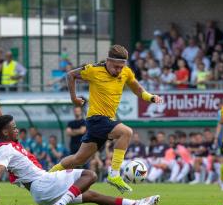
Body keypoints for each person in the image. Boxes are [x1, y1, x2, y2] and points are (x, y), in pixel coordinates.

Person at [0, 83, 160, 205]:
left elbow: (0, 122)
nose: (17, 130)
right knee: (89, 175)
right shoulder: (5, 149)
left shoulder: (5, 141)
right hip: (43, 184)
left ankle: (137, 204)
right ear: (6, 133)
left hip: (42, 194)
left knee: (92, 196)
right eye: (14, 128)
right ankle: (61, 203)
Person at [48, 45, 163, 193]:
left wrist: (151, 97)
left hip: (105, 120)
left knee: (79, 159)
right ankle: (114, 174)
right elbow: (70, 75)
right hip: (96, 119)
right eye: (116, 66)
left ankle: (48, 175)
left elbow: (138, 89)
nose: (119, 70)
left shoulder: (126, 72)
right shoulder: (94, 70)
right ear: (108, 61)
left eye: (121, 67)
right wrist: (74, 99)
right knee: (126, 132)